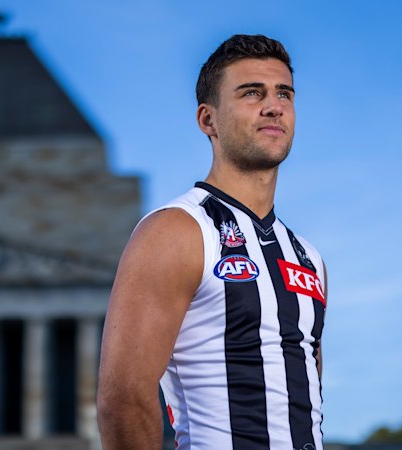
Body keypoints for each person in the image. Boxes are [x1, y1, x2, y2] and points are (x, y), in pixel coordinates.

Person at [97, 34, 327, 450]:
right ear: (208, 120)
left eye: (284, 93)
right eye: (251, 93)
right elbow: (123, 399)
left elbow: (304, 402)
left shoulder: (307, 256)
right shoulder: (176, 232)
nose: (273, 105)